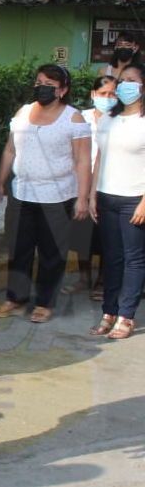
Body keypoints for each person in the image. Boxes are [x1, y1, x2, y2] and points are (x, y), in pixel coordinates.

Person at [0, 64, 91, 324]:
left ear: (62, 90)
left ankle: (45, 302)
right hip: (22, 192)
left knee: (51, 253)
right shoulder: (23, 113)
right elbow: (10, 150)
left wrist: (83, 197)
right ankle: (16, 298)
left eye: (50, 83)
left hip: (57, 197)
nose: (42, 87)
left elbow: (82, 160)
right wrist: (0, 181)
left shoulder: (73, 118)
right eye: (39, 81)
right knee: (18, 249)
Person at [89, 62, 145, 340]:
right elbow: (100, 157)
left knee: (134, 259)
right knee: (111, 258)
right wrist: (92, 195)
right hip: (106, 196)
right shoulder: (108, 118)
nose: (124, 85)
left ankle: (127, 315)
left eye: (132, 80)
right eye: (122, 80)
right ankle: (108, 312)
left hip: (134, 199)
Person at [68, 75, 118, 299]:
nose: (108, 98)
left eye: (112, 94)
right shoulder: (81, 118)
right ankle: (84, 277)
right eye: (103, 94)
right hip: (81, 183)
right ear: (93, 95)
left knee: (107, 234)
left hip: (109, 184)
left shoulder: (120, 119)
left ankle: (102, 280)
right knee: (82, 232)